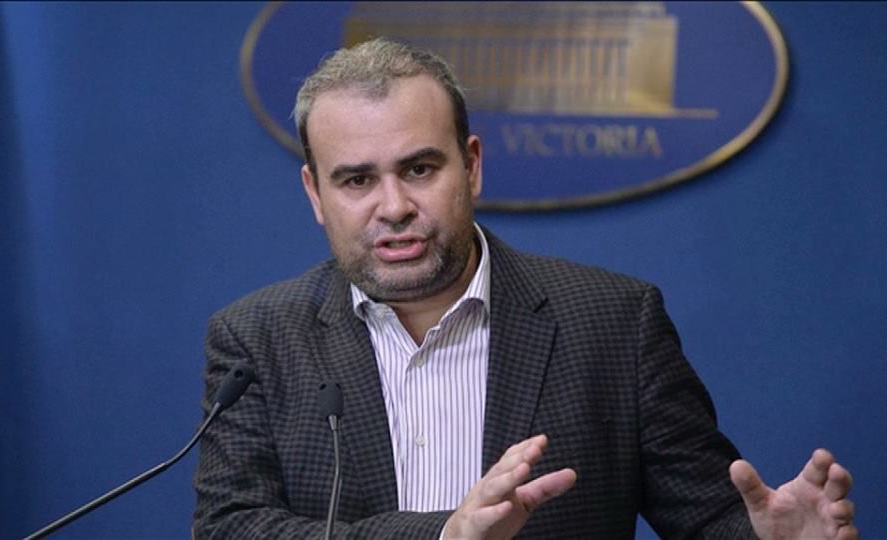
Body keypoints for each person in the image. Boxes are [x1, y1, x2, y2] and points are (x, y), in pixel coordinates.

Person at [192, 38, 856, 539]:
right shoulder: (258, 339)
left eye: (419, 169)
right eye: (357, 180)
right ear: (316, 194)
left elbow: (710, 516)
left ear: (471, 166)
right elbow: (229, 527)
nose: (393, 207)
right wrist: (444, 536)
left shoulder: (614, 324)